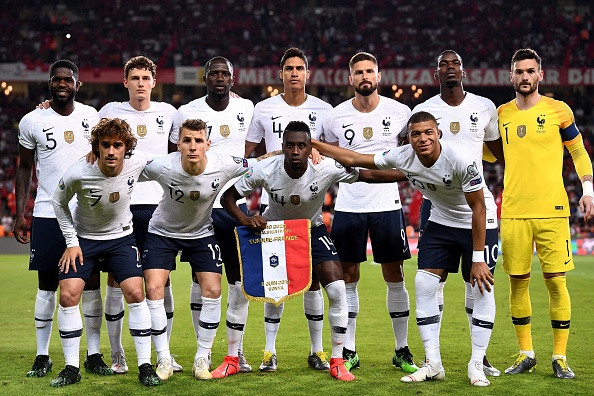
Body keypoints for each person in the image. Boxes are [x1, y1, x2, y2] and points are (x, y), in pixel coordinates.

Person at [312, 111, 498, 386]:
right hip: (441, 220)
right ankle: (433, 363)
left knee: (480, 286)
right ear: (408, 138)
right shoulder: (403, 156)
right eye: (415, 134)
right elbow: (354, 159)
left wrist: (479, 258)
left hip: (477, 220)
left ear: (438, 134)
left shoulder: (460, 159)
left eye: (428, 132)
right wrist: (314, 144)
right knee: (424, 283)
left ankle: (477, 363)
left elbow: (479, 206)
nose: (422, 138)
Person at [223, 120, 390, 381]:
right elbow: (228, 197)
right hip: (274, 230)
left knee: (336, 288)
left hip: (312, 229)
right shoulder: (266, 168)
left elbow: (367, 175)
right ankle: (269, 352)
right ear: (283, 147)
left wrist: (413, 173)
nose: (296, 151)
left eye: (302, 145)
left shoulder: (325, 167)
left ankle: (335, 359)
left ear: (310, 146)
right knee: (274, 292)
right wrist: (245, 220)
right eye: (290, 145)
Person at [141, 119, 266, 380]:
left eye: (199, 140)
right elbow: (126, 169)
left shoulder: (223, 164)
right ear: (178, 144)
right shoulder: (163, 166)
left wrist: (289, 152)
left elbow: (260, 163)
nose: (193, 146)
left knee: (213, 289)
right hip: (162, 233)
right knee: (153, 289)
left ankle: (201, 358)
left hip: (201, 233)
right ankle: (163, 358)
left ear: (208, 144)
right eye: (187, 140)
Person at [498, 48, 594, 379]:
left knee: (556, 282)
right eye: (519, 71)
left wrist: (588, 189)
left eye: (530, 71)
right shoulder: (501, 115)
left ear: (541, 75)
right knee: (517, 283)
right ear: (511, 77)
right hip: (513, 211)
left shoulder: (558, 110)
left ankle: (560, 356)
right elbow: (485, 152)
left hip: (552, 210)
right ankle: (526, 353)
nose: (525, 76)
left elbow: (578, 150)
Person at [319, 52, 416, 372]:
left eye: (369, 71)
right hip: (349, 205)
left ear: (378, 76)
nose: (364, 76)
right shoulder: (335, 116)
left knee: (395, 275)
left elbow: (410, 152)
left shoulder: (401, 111)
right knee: (348, 278)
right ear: (350, 79)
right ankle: (348, 349)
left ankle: (402, 349)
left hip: (387, 205)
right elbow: (325, 154)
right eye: (358, 72)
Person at [13, 59, 110, 378]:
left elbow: (103, 161)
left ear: (77, 84)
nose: (62, 84)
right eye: (57, 79)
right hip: (46, 214)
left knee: (92, 286)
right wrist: (19, 214)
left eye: (68, 79)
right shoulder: (31, 120)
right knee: (46, 286)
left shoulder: (91, 117)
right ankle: (42, 355)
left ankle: (93, 354)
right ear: (49, 83)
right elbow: (25, 168)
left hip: (87, 215)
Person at [411, 50, 503, 377]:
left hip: (475, 203)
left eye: (455, 64)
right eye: (443, 65)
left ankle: (481, 356)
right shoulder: (424, 111)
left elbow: (496, 151)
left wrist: (473, 168)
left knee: (477, 282)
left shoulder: (484, 107)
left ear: (463, 71)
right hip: (436, 204)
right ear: (436, 73)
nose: (450, 68)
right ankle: (431, 359)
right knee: (430, 283)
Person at [51, 118, 161, 387]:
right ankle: (71, 368)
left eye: (118, 145)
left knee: (136, 293)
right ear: (96, 147)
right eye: (105, 145)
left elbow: (169, 167)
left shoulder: (138, 162)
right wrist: (71, 241)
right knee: (67, 295)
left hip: (121, 238)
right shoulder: (79, 172)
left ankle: (145, 365)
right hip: (84, 241)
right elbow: (58, 201)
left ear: (127, 148)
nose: (112, 151)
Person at [244, 47, 334, 372]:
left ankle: (317, 351)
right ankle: (269, 352)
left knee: (313, 284)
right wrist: (261, 161)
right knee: (275, 285)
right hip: (276, 212)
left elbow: (334, 151)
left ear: (308, 73)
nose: (294, 73)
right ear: (280, 74)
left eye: (300, 68)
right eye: (289, 68)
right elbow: (247, 154)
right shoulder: (263, 109)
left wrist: (323, 153)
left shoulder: (324, 110)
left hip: (309, 212)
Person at [170, 56, 255, 374]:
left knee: (238, 281)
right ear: (204, 78)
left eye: (225, 73)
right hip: (199, 209)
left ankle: (238, 351)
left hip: (235, 206)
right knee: (199, 279)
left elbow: (261, 148)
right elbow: (173, 155)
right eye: (213, 73)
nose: (219, 77)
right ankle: (201, 351)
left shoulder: (247, 108)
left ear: (233, 79)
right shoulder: (187, 111)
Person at [98, 55, 180, 376]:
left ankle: (166, 353)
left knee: (161, 280)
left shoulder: (169, 113)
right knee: (117, 279)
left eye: (146, 78)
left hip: (159, 208)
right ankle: (118, 354)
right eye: (135, 78)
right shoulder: (109, 112)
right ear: (126, 82)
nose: (141, 84)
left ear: (154, 83)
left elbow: (179, 152)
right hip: (121, 207)